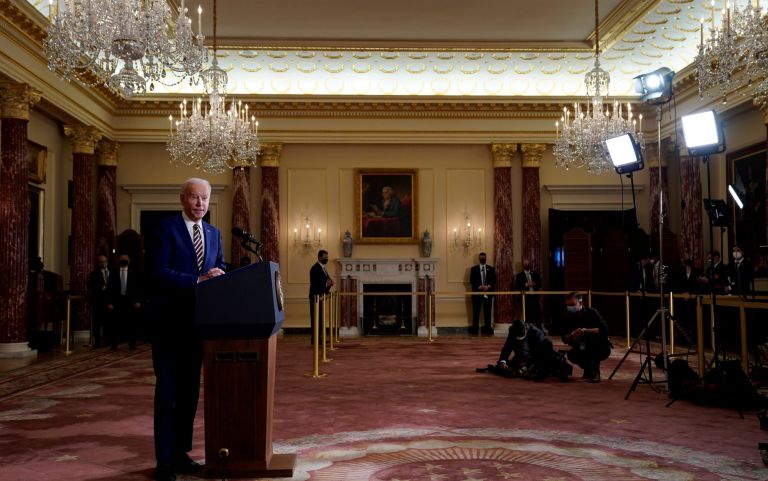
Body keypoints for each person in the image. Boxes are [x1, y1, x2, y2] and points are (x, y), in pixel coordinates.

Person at [148, 178, 226, 481]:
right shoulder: (165, 229)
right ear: (182, 199)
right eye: (194, 198)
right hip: (168, 325)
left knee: (190, 394)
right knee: (167, 393)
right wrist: (197, 280)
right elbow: (158, 272)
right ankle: (164, 461)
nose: (200, 204)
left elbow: (217, 267)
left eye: (204, 199)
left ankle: (181, 453)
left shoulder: (214, 233)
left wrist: (220, 274)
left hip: (198, 326)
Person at [561, 292, 611, 383]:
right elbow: (564, 338)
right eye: (568, 305)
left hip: (599, 346)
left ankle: (595, 372)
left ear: (580, 303)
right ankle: (588, 369)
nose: (570, 308)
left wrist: (585, 330)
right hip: (580, 346)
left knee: (593, 344)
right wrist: (572, 335)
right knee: (571, 355)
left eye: (572, 305)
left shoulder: (592, 312)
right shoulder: (567, 316)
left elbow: (604, 330)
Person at [496, 320, 570, 381]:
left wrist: (527, 367)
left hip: (538, 357)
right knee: (503, 369)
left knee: (548, 354)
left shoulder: (536, 333)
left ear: (526, 329)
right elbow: (507, 348)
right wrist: (503, 361)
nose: (520, 341)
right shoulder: (512, 331)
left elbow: (539, 355)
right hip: (522, 357)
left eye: (522, 338)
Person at [105, 254, 142, 350]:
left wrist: (138, 301)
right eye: (122, 260)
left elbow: (140, 288)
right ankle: (113, 346)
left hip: (130, 302)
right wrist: (109, 302)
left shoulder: (135, 273)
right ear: (119, 261)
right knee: (115, 324)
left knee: (131, 324)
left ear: (129, 261)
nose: (124, 261)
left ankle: (132, 345)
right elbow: (109, 289)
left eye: (125, 260)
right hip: (117, 301)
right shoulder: (113, 273)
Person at [469, 252, 496, 336]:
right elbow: (472, 280)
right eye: (481, 257)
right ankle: (475, 330)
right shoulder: (473, 269)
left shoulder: (491, 269)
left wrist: (488, 286)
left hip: (488, 294)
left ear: (486, 258)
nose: (483, 259)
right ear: (479, 258)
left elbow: (494, 280)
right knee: (476, 313)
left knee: (488, 313)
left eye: (484, 257)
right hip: (477, 295)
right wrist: (480, 287)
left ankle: (487, 329)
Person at [309, 250, 333, 343]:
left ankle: (319, 337)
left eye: (327, 257)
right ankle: (315, 339)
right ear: (319, 257)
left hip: (321, 297)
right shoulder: (315, 268)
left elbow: (327, 280)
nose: (326, 259)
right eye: (324, 257)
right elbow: (316, 283)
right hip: (316, 297)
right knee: (315, 318)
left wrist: (329, 284)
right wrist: (327, 284)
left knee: (320, 318)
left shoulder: (323, 268)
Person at [87, 254, 110, 348]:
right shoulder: (94, 273)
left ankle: (107, 341)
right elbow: (89, 286)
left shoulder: (112, 272)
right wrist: (101, 288)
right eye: (101, 262)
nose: (103, 263)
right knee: (97, 323)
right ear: (98, 263)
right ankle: (97, 342)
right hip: (98, 302)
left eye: (104, 261)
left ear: (107, 262)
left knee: (107, 322)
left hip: (109, 302)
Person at [514, 259, 542, 327]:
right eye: (525, 264)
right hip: (525, 298)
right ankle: (527, 328)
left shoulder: (535, 274)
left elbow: (540, 283)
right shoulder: (519, 275)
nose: (527, 265)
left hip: (534, 298)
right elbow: (517, 286)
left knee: (537, 314)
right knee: (527, 315)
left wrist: (534, 284)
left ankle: (537, 328)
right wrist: (526, 284)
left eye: (528, 264)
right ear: (523, 265)